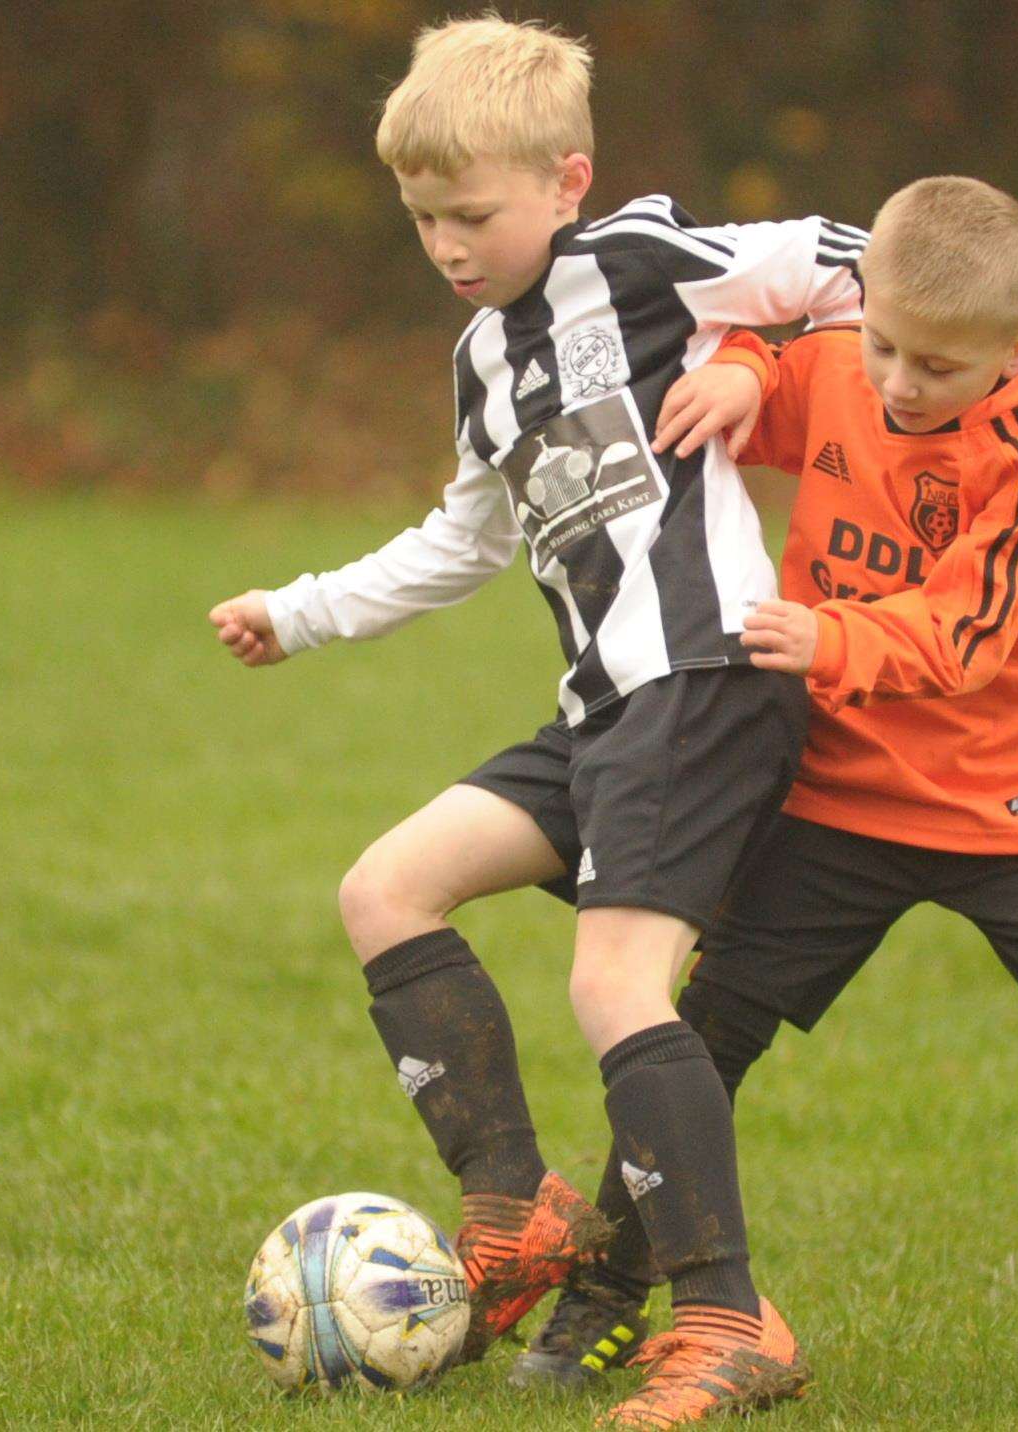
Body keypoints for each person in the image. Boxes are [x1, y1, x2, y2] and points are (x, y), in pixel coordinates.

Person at [208, 15, 868, 1424]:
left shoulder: (636, 258)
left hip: (702, 680)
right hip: (599, 713)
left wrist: (756, 365)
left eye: (472, 214)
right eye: (422, 220)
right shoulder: (479, 359)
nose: (447, 244)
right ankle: (513, 1206)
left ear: (564, 179)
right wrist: (301, 607)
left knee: (611, 989)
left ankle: (723, 1317)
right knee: (385, 889)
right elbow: (462, 538)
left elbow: (863, 261)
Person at [515, 175, 1018, 1409]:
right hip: (838, 797)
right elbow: (780, 382)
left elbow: (970, 631)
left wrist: (832, 641)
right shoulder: (851, 358)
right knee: (702, 1039)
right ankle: (609, 1296)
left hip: (1012, 806)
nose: (899, 382)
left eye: (939, 367)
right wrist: (746, 371)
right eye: (885, 342)